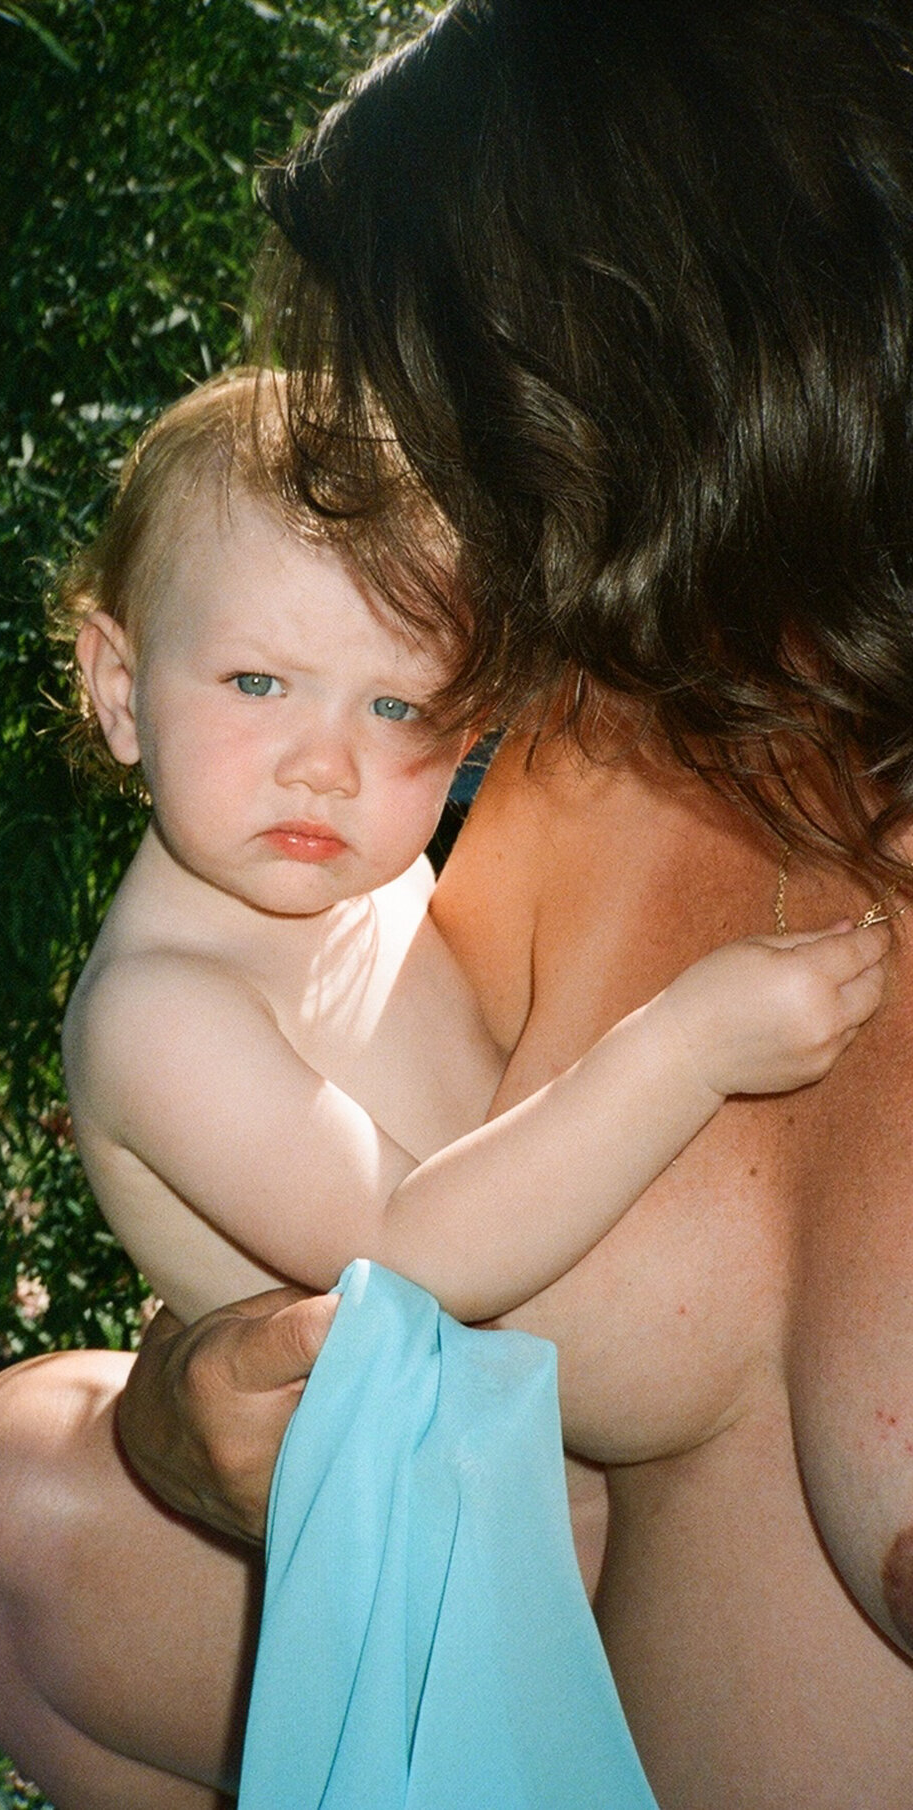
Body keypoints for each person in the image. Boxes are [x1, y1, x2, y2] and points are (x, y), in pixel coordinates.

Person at [0, 4, 913, 1806]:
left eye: (448, 394)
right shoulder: (576, 732)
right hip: (515, 1677)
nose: (412, 474)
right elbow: (362, 1218)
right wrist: (192, 1402)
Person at [59, 365, 881, 1332]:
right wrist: (690, 1049)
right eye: (256, 683)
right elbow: (412, 1254)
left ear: (467, 737)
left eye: (395, 705)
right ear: (120, 688)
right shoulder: (157, 1013)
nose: (327, 766)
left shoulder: (370, 878)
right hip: (425, 1485)